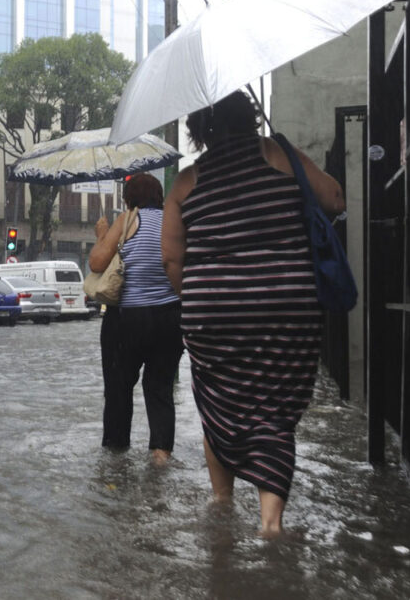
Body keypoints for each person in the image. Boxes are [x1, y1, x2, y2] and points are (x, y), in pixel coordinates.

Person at [161, 90, 345, 537]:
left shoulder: (186, 182)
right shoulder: (279, 155)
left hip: (213, 314)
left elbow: (171, 261)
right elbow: (335, 200)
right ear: (250, 117)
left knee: (219, 401)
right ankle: (270, 522)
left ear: (199, 130)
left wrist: (205, 302)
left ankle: (222, 502)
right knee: (274, 409)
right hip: (286, 307)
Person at [88, 173, 184, 466]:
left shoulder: (127, 220)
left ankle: (116, 459)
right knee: (161, 388)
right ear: (159, 196)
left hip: (128, 319)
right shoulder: (174, 221)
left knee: (118, 389)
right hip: (170, 318)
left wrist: (103, 235)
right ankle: (160, 455)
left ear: (128, 198)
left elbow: (96, 263)